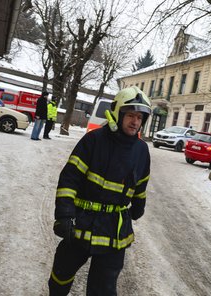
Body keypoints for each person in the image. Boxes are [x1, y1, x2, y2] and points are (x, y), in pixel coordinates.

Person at [48, 86, 152, 296]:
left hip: (114, 230)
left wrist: (138, 207)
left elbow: (141, 184)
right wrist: (64, 215)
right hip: (81, 222)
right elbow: (70, 178)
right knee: (61, 276)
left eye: (140, 117)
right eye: (130, 115)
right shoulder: (94, 140)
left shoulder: (142, 150)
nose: (135, 122)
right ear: (118, 113)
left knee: (103, 288)